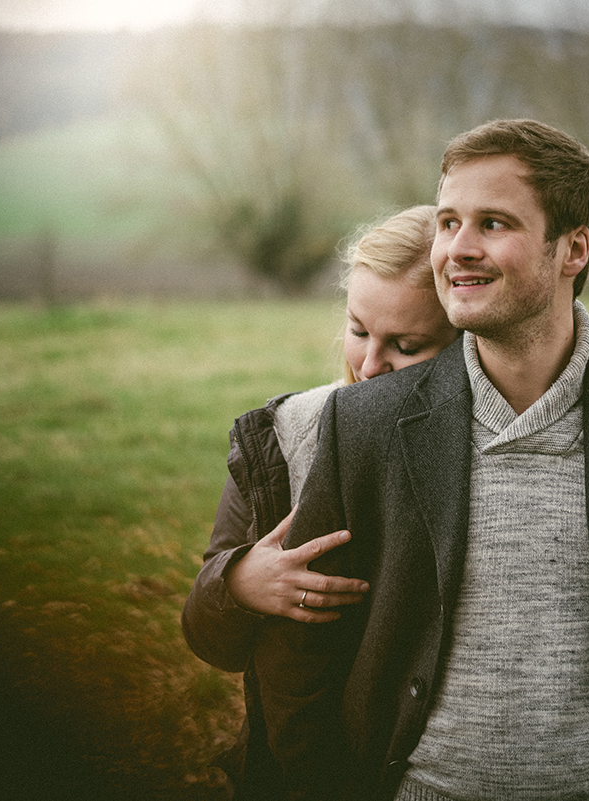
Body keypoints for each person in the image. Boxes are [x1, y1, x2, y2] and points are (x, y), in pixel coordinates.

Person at [254, 119, 589, 801]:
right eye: (448, 222)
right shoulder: (363, 425)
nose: (457, 249)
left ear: (573, 248)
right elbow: (301, 663)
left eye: (493, 223)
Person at [181, 204, 459, 799]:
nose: (369, 363)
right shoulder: (283, 442)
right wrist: (239, 584)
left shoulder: (485, 464)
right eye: (359, 330)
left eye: (406, 345)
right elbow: (206, 636)